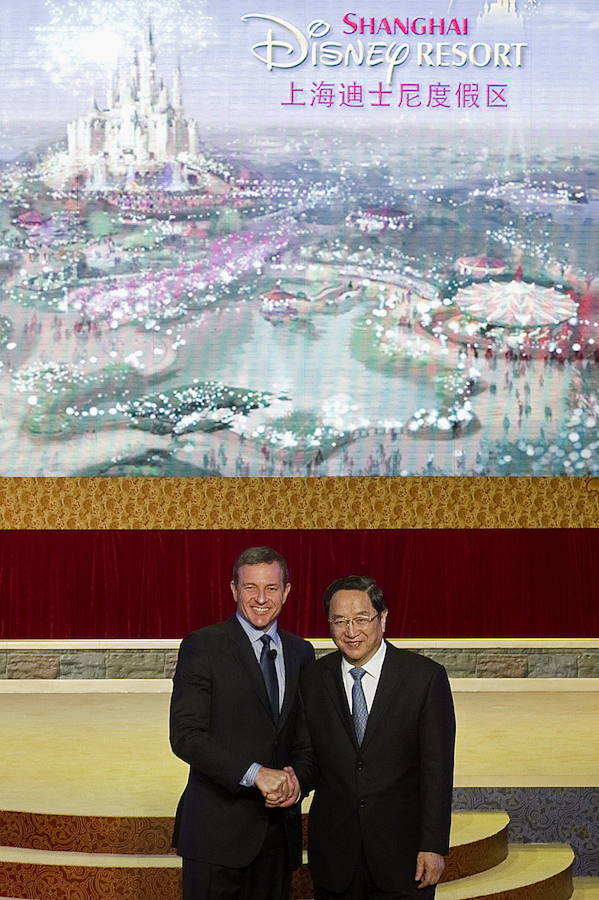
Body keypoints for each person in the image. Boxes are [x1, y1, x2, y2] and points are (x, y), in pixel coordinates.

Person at [296, 575, 455, 900]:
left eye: (361, 619)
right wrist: (292, 780)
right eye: (339, 621)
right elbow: (310, 757)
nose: (350, 631)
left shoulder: (424, 678)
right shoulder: (313, 679)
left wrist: (433, 845)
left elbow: (437, 771)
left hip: (404, 856)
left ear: (383, 618)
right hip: (335, 858)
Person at [170, 546, 314, 900]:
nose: (261, 598)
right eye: (251, 587)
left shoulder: (301, 652)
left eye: (271, 588)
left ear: (287, 591)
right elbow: (186, 736)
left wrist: (297, 781)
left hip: (278, 838)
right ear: (234, 590)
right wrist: (256, 773)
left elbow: (307, 739)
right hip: (216, 837)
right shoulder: (202, 647)